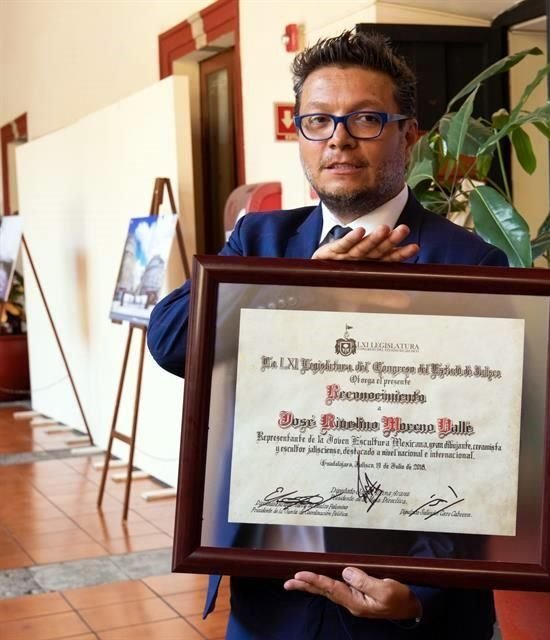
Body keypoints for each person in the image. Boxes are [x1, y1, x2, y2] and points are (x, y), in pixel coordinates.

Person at [147, 31, 506, 640]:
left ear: (408, 135)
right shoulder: (258, 243)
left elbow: (488, 451)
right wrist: (303, 287)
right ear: (300, 136)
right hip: (270, 593)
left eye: (366, 119)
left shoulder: (472, 264)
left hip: (401, 599)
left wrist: (419, 590)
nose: (338, 137)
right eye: (317, 120)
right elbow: (172, 340)